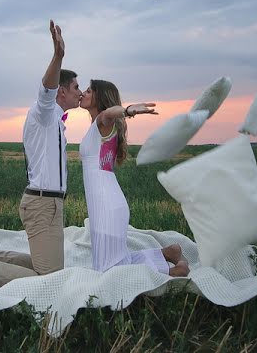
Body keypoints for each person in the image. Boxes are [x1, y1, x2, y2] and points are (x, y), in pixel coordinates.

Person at [0, 20, 82, 286]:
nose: (80, 93)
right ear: (62, 91)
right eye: (76, 88)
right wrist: (58, 56)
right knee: (49, 277)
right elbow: (45, 91)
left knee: (46, 266)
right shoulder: (43, 113)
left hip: (49, 203)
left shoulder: (56, 120)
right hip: (42, 203)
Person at [78, 79, 189, 277]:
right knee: (114, 263)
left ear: (100, 97)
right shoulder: (96, 128)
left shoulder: (103, 120)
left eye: (88, 91)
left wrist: (128, 111)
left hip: (106, 206)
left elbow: (109, 113)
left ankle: (175, 271)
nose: (83, 94)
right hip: (104, 203)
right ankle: (167, 253)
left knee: (109, 272)